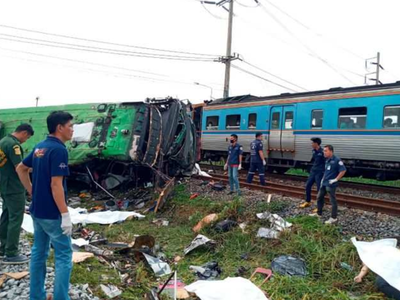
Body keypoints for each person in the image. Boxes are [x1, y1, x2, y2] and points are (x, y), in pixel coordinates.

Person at [16, 111, 74, 300]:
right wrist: (65, 215)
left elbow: (21, 168)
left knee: (39, 252)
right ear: (60, 128)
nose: (72, 130)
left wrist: (31, 190)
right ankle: (60, 297)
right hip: (51, 213)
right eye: (70, 126)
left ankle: (37, 296)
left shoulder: (40, 147)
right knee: (64, 254)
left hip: (37, 211)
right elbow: (56, 185)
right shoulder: (59, 150)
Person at [0, 124, 34, 264]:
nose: (25, 140)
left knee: (6, 215)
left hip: (4, 184)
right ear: (24, 133)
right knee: (16, 218)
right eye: (27, 137)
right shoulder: (14, 145)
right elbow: (20, 168)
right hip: (14, 186)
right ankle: (12, 253)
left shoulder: (2, 141)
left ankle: (3, 248)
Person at [309, 145, 346, 224]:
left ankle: (333, 217)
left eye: (325, 151)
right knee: (319, 197)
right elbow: (326, 171)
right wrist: (323, 179)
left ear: (331, 151)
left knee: (332, 201)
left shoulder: (337, 160)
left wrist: (336, 179)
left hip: (331, 184)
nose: (324, 152)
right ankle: (319, 213)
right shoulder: (327, 160)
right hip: (325, 183)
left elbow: (343, 170)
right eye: (323, 151)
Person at [299, 137, 324, 209]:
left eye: (312, 143)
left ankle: (319, 206)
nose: (311, 144)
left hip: (320, 172)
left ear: (316, 143)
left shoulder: (322, 152)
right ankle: (308, 201)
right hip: (313, 171)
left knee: (319, 189)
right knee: (308, 185)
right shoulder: (313, 151)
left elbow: (326, 162)